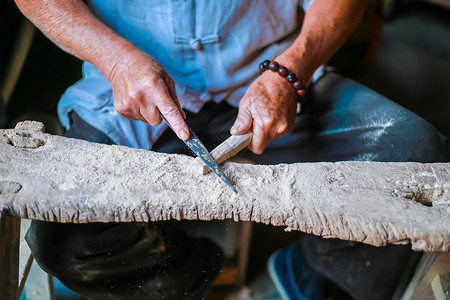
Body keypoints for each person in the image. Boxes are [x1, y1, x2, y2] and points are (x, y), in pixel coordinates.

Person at [15, 0, 449, 299]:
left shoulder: (283, 74)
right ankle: (193, 275)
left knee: (415, 159)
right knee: (63, 238)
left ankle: (307, 281)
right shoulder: (122, 73)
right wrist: (115, 60)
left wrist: (290, 71)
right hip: (129, 89)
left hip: (269, 76)